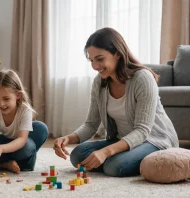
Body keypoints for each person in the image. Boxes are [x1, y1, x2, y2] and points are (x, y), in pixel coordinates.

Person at [53, 27, 179, 177]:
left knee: (115, 166)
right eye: (91, 60)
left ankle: (144, 159)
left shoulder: (142, 78)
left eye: (100, 59)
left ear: (118, 54)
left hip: (153, 141)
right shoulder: (99, 82)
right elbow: (91, 124)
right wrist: (68, 138)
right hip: (122, 141)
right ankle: (126, 160)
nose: (95, 66)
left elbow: (142, 130)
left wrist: (105, 152)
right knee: (78, 155)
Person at [0, 70, 48, 173]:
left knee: (38, 131)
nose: (1, 104)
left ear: (18, 95)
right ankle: (5, 164)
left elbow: (21, 140)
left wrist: (1, 149)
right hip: (5, 143)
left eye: (6, 99)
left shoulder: (25, 111)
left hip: (18, 146)